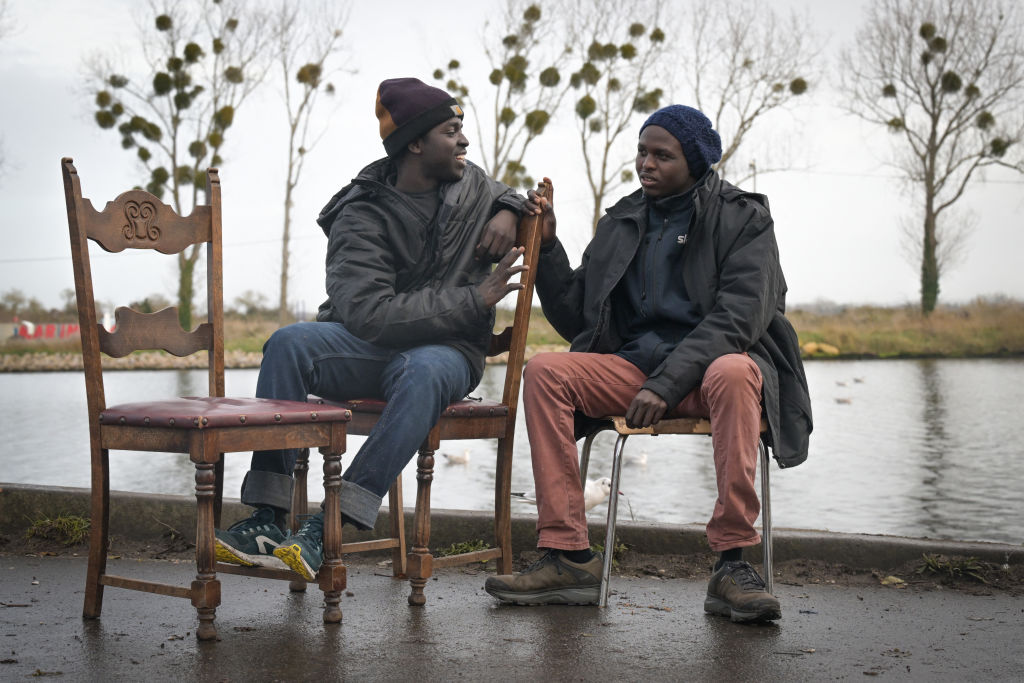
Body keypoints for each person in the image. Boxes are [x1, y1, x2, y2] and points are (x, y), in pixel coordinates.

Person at [484, 104, 812, 623]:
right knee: (546, 371)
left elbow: (738, 320)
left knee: (731, 370)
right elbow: (578, 319)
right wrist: (547, 247)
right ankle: (569, 557)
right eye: (642, 152)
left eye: (663, 155)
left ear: (696, 161)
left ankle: (731, 565)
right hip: (635, 372)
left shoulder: (744, 217)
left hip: (716, 371)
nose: (646, 164)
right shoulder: (621, 221)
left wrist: (666, 382)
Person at [215, 77, 535, 581]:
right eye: (452, 131)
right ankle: (267, 517)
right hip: (369, 343)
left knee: (424, 368)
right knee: (288, 344)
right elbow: (369, 315)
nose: (464, 141)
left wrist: (510, 208)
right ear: (415, 143)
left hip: (447, 353)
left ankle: (331, 523)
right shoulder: (360, 212)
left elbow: (527, 196)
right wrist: (473, 298)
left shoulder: (474, 187)